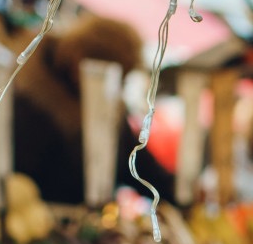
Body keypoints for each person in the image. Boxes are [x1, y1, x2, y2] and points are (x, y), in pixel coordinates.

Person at [10, 13, 174, 206]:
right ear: (81, 60)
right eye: (118, 77)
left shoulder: (107, 104)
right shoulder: (30, 103)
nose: (118, 87)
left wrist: (178, 191)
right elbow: (20, 183)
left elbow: (138, 166)